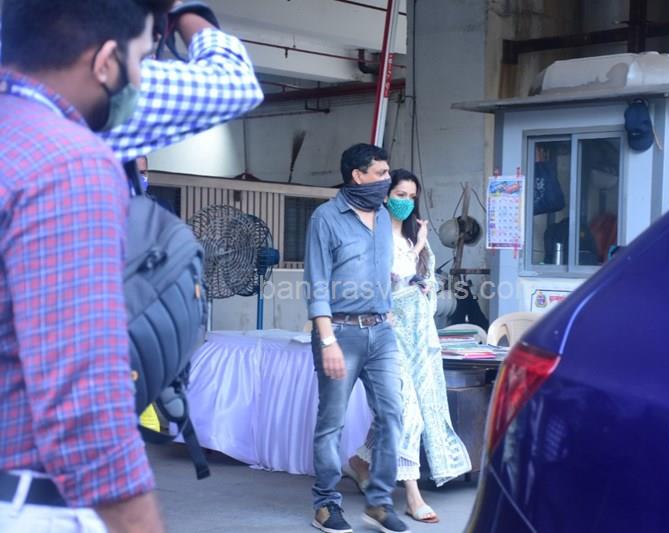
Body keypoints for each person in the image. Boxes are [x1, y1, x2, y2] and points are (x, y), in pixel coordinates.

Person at [0, 1, 172, 531]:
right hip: (27, 502)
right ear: (105, 62)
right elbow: (84, 398)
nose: (138, 79)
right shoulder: (69, 162)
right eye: (141, 59)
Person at [343, 169, 472, 524]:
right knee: (406, 411)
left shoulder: (418, 235)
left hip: (419, 334)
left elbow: (427, 282)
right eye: (400, 195)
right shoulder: (373, 234)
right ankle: (412, 495)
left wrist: (425, 281)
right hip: (387, 334)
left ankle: (359, 462)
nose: (406, 202)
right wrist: (414, 256)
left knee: (416, 405)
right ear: (386, 196)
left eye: (412, 196)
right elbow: (381, 281)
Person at [0, 1, 265, 164]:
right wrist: (185, 10)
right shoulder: (99, 106)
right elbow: (236, 82)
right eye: (141, 57)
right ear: (106, 63)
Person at [304, 144, 409, 533]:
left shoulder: (382, 215)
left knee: (392, 414)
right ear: (357, 176)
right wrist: (327, 340)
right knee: (332, 420)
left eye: (387, 172)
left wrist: (388, 309)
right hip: (340, 332)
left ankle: (379, 502)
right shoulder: (326, 218)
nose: (387, 179)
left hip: (381, 332)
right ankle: (325, 504)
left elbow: (381, 271)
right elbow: (316, 283)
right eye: (380, 173)